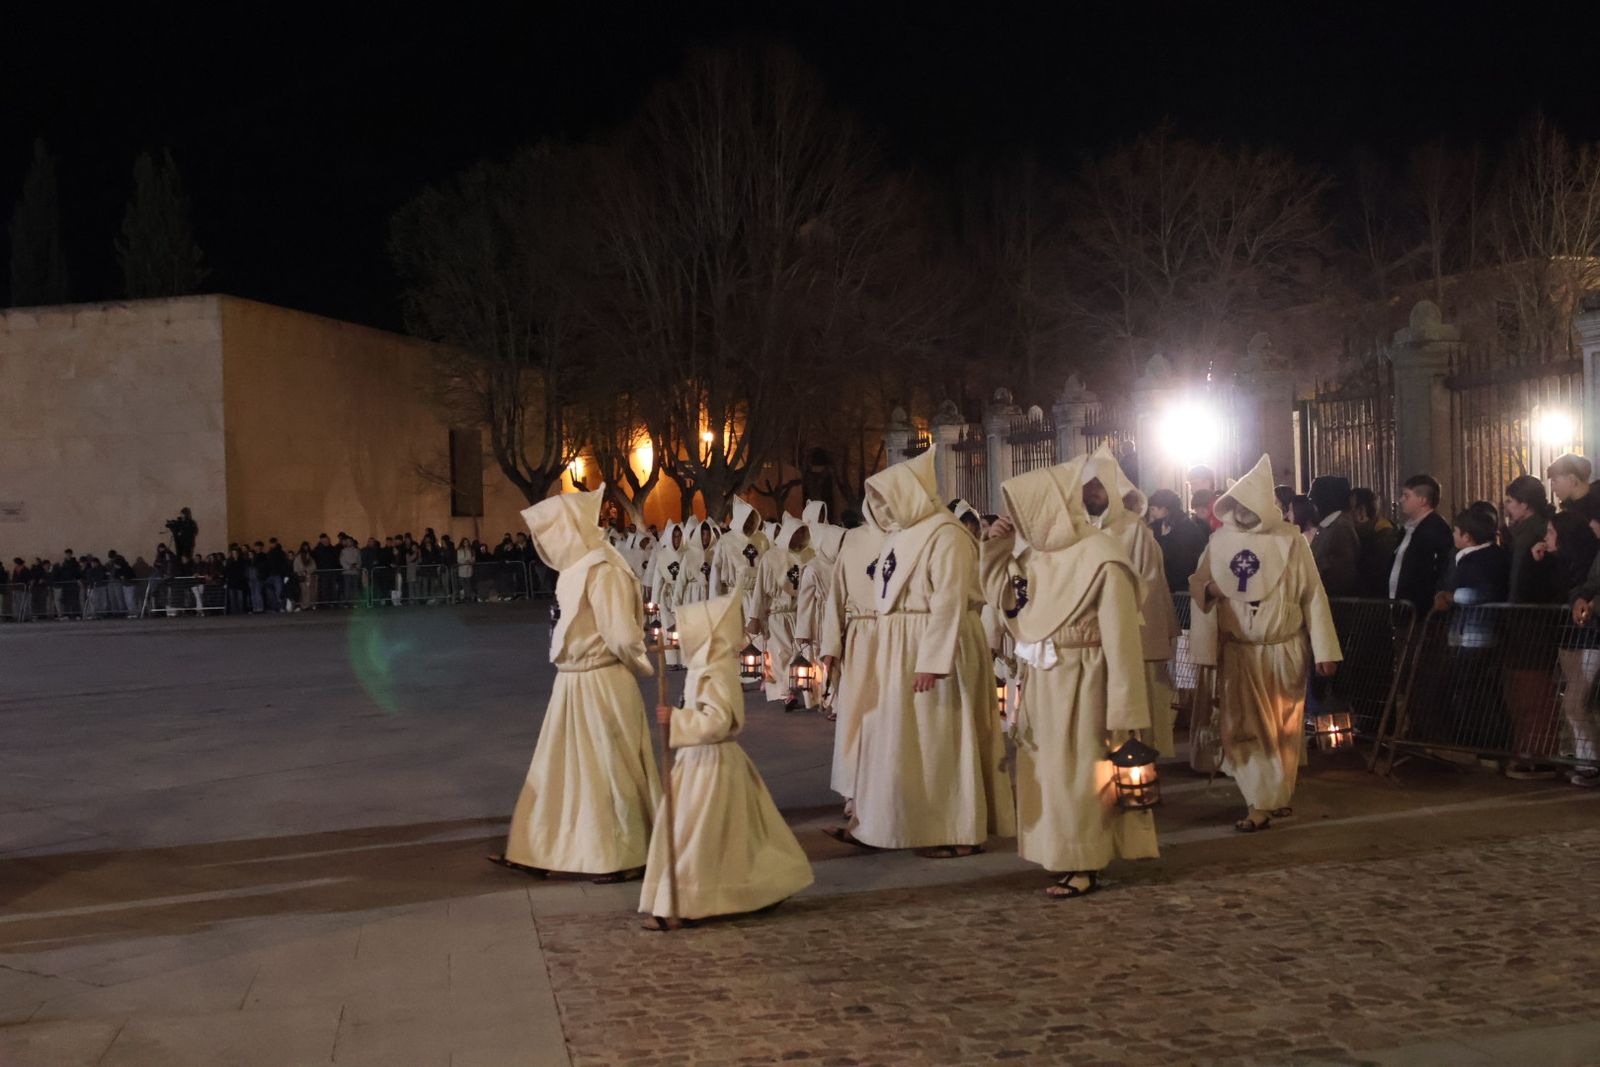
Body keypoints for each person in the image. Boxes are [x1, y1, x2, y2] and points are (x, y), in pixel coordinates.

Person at [982, 460, 1158, 898]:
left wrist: (1125, 709)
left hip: (1087, 678)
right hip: (1044, 678)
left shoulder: (1103, 556)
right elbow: (1003, 601)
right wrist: (997, 547)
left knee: (1082, 773)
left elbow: (1121, 640)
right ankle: (1058, 853)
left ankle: (1084, 861)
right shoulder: (1034, 555)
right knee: (1048, 772)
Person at [839, 447, 1014, 858]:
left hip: (933, 646)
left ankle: (957, 830)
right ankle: (882, 822)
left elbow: (950, 600)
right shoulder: (903, 534)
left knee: (942, 742)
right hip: (898, 647)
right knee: (892, 739)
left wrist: (932, 662)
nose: (882, 507)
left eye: (888, 496)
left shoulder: (946, 534)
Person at [490, 486, 661, 882]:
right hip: (573, 682)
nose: (546, 542)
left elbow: (620, 633)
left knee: (608, 768)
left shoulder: (605, 570)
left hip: (601, 680)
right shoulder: (578, 570)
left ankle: (622, 854)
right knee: (558, 767)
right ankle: (540, 847)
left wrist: (640, 665)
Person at [639, 594, 814, 930]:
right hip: (697, 762)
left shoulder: (716, 672)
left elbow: (720, 721)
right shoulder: (704, 668)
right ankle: (757, 889)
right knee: (734, 836)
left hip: (711, 764)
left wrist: (677, 721)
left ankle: (684, 904)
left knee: (698, 833)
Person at [1188, 454, 1341, 833]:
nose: (1240, 511)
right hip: (1240, 650)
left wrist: (1325, 651)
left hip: (1283, 648)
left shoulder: (1291, 542)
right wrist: (1209, 588)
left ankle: (1275, 795)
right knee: (1242, 726)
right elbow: (1199, 582)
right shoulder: (1220, 541)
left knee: (1283, 729)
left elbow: (1313, 596)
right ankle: (1260, 800)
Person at [1082, 445, 1182, 757]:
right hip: (1090, 637)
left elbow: (1148, 586)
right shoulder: (1079, 529)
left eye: (1099, 486)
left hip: (1128, 633)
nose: (1093, 493)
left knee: (1136, 702)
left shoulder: (1133, 531)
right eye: (1089, 486)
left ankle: (1140, 766)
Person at [819, 508, 886, 817]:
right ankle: (854, 790)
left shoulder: (907, 536)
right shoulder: (854, 540)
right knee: (856, 713)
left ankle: (889, 789)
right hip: (860, 638)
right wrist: (831, 645)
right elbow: (836, 593)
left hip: (897, 636)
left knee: (891, 716)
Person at [747, 514, 815, 710]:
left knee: (801, 653)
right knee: (781, 654)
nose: (799, 538)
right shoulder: (771, 557)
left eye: (802, 533)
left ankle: (800, 691)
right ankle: (787, 693)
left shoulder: (809, 555)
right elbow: (760, 589)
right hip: (778, 614)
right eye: (796, 533)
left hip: (800, 613)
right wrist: (755, 616)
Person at [794, 518, 847, 715]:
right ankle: (830, 700)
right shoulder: (813, 567)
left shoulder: (842, 564)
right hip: (822, 618)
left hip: (841, 615)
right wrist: (803, 631)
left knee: (839, 660)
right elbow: (806, 602)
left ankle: (837, 701)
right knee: (825, 660)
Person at [1389, 474, 1454, 619]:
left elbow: (1440, 569)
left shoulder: (1436, 530)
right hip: (1402, 608)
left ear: (1422, 500)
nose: (1401, 500)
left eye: (1406, 496)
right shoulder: (1407, 529)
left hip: (1419, 612)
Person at [1503, 475, 1552, 604]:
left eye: (1510, 501)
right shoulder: (1525, 531)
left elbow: (1518, 579)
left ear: (1524, 504)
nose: (1507, 507)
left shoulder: (1528, 535)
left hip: (1528, 611)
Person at [1146, 488, 1207, 593]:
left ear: (1164, 510)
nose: (1151, 514)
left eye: (1153, 509)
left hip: (1181, 588)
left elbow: (1181, 560)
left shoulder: (1185, 528)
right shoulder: (1162, 525)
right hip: (1171, 585)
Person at [1309, 475, 1360, 597]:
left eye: (1314, 499)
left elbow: (1342, 573)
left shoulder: (1341, 527)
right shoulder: (1329, 525)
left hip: (1335, 603)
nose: (1312, 505)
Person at [712, 498, 768, 598]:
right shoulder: (725, 541)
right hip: (734, 596)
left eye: (752, 519)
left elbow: (768, 569)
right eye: (747, 519)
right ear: (740, 520)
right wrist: (715, 602)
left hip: (759, 595)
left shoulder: (762, 539)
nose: (750, 523)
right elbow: (715, 572)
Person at [1350, 488, 1400, 598]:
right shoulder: (1374, 534)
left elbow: (1372, 579)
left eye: (1349, 511)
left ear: (1361, 512)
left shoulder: (1385, 539)